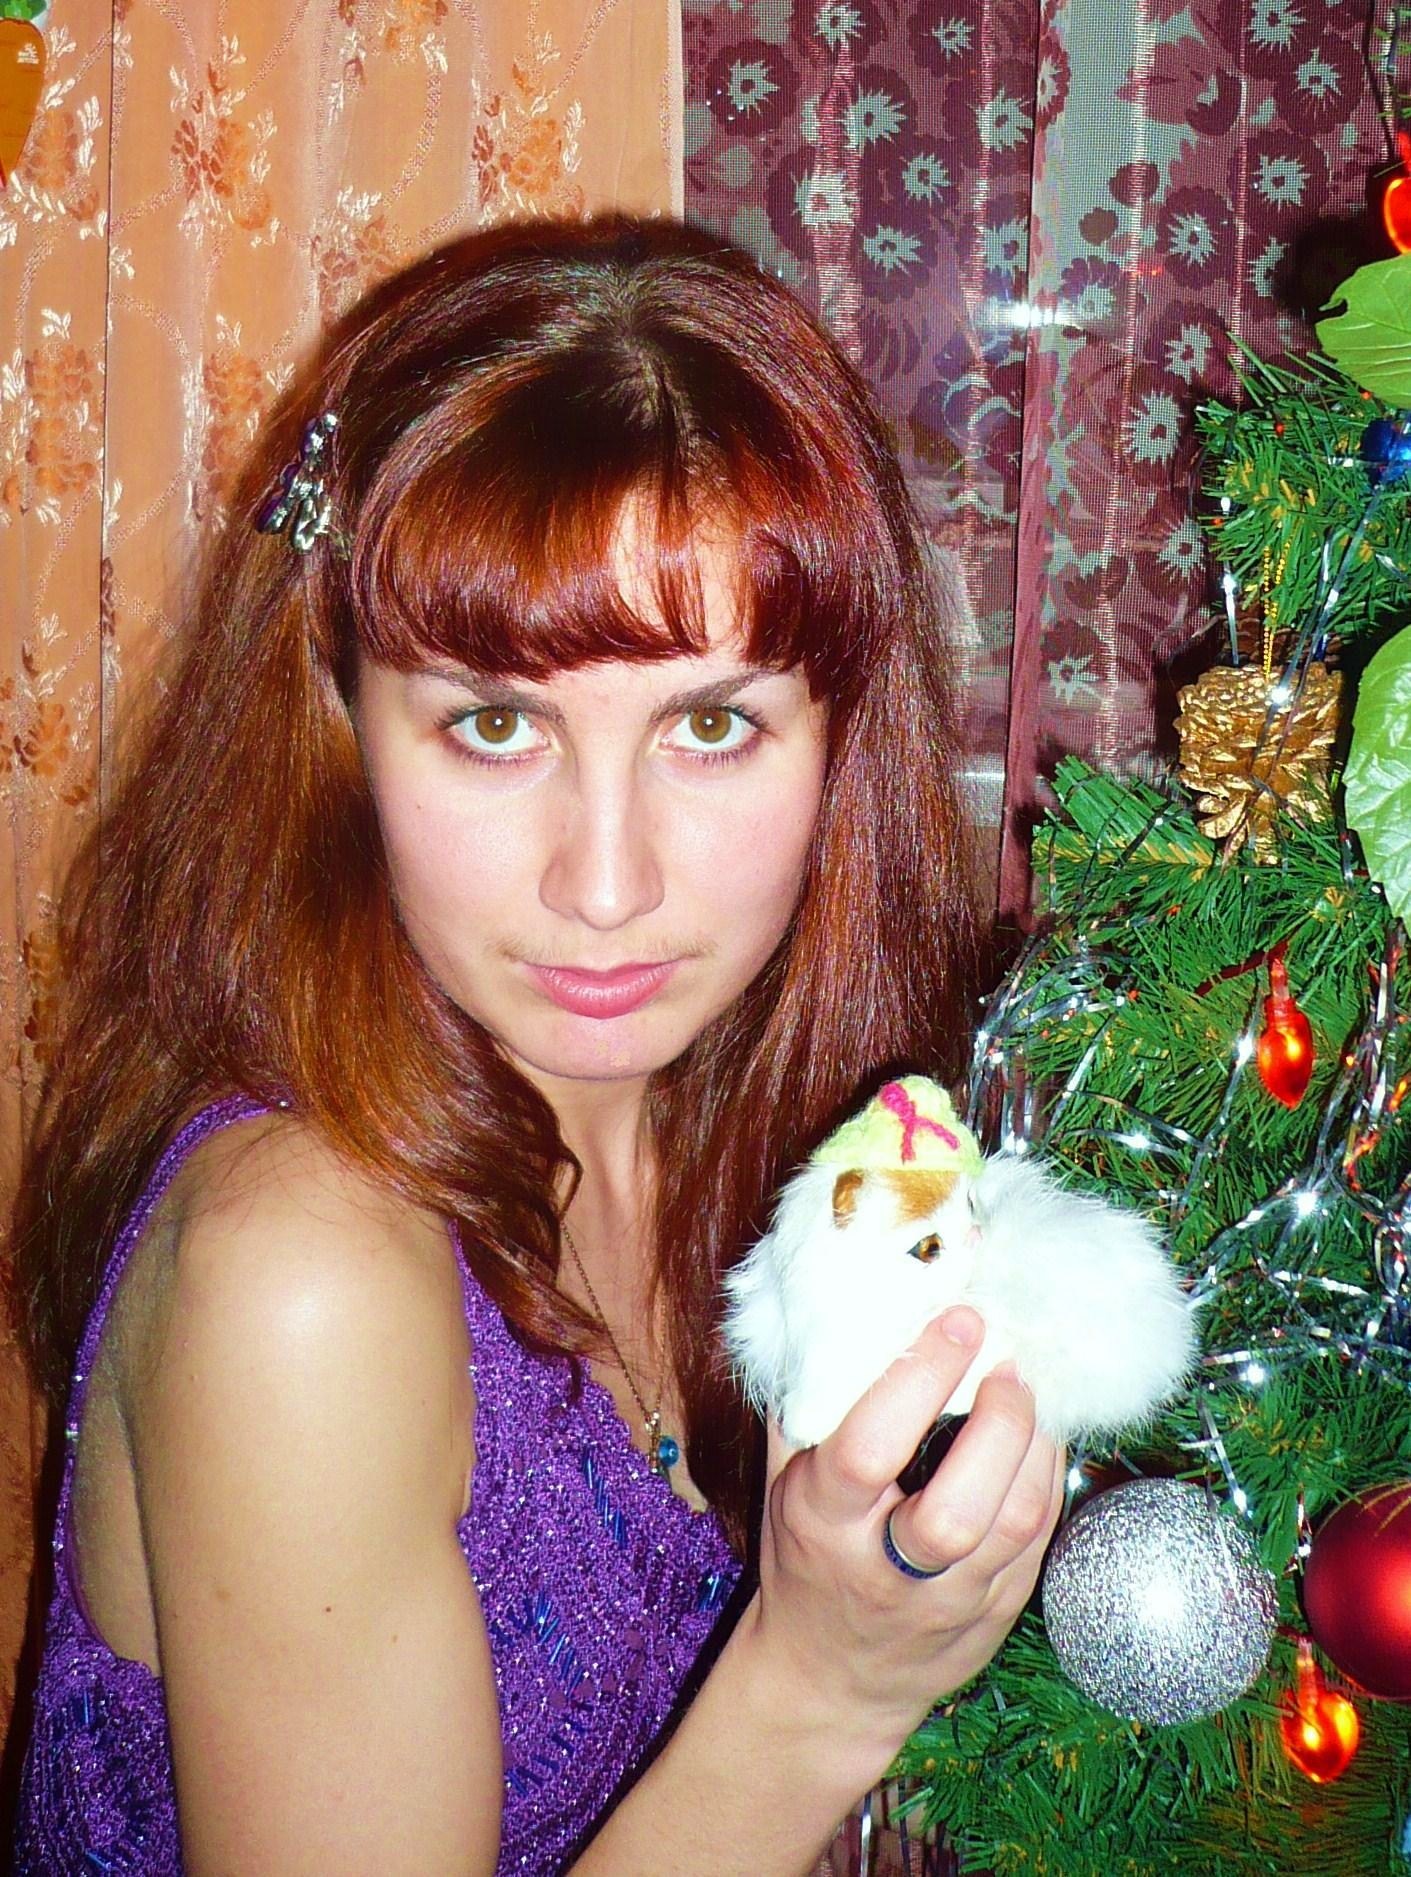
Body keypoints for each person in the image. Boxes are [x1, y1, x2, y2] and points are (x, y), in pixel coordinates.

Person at [10, 215, 1064, 1876]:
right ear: (342, 721)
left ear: (837, 739)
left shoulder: (743, 1125)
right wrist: (823, 1692)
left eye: (710, 724)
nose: (607, 883)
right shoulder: (301, 1280)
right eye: (495, 724)